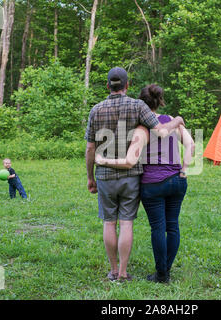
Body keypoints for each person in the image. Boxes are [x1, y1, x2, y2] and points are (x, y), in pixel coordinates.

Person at [84, 67, 185, 282]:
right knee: (126, 222)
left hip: (104, 174)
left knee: (109, 222)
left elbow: (90, 148)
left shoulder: (96, 110)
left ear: (108, 86)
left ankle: (112, 271)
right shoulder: (138, 105)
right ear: (127, 85)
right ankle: (123, 272)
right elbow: (160, 130)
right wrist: (177, 120)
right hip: (131, 174)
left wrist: (90, 177)